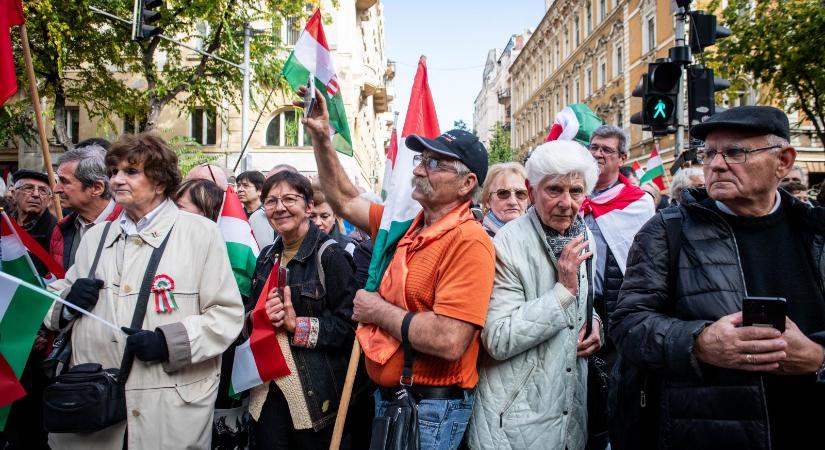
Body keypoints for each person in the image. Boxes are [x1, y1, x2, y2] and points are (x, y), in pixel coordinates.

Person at [610, 106, 825, 450]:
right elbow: (628, 325)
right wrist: (699, 343)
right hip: (703, 434)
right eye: (708, 153)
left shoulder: (816, 232)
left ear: (783, 161)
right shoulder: (667, 230)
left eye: (735, 152)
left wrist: (818, 358)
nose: (716, 164)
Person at [303, 85, 495, 449]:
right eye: (421, 160)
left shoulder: (469, 242)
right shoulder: (404, 226)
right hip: (396, 402)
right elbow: (343, 199)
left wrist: (376, 310)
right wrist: (321, 139)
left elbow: (450, 339)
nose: (420, 169)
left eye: (435, 163)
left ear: (467, 183)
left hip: (430, 413)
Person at [43, 132, 244, 449]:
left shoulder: (199, 233)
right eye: (113, 172)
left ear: (160, 181)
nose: (117, 180)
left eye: (131, 171)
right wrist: (67, 302)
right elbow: (50, 301)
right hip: (94, 412)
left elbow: (227, 315)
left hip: (168, 409)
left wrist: (168, 342)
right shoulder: (96, 236)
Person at [467, 140, 602, 450]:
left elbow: (582, 306)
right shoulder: (507, 243)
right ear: (532, 191)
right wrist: (563, 292)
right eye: (554, 190)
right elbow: (497, 339)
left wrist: (594, 324)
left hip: (568, 420)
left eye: (576, 192)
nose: (567, 203)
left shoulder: (584, 236)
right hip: (514, 424)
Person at [247, 170, 358, 449]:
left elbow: (350, 329)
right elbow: (249, 314)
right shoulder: (265, 257)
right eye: (270, 201)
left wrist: (298, 326)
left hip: (315, 396)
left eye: (289, 199)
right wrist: (258, 317)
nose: (280, 207)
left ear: (308, 207)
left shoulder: (331, 256)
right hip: (265, 392)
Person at [582, 125, 655, 449]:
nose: (597, 154)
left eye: (606, 150)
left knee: (615, 388)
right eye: (593, 147)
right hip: (577, 304)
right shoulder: (572, 194)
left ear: (622, 157)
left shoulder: (637, 204)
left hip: (618, 307)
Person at [50, 144, 121, 271]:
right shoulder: (61, 230)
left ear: (96, 188)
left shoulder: (129, 227)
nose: (56, 189)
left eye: (64, 181)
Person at [10, 169, 58, 276]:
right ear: (14, 194)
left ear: (49, 200)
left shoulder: (57, 231)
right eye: (28, 188)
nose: (36, 194)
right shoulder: (4, 224)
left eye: (43, 190)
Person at [248, 164, 299, 248]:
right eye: (269, 183)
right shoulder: (255, 218)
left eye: (289, 199)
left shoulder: (316, 222)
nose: (279, 208)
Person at [479, 162, 529, 237]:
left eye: (520, 193)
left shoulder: (539, 235)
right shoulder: (478, 241)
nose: (513, 202)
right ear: (487, 201)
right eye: (503, 193)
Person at [309, 182, 356, 254]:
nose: (318, 222)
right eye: (312, 216)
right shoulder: (293, 244)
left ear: (335, 216)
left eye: (324, 216)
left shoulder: (347, 247)